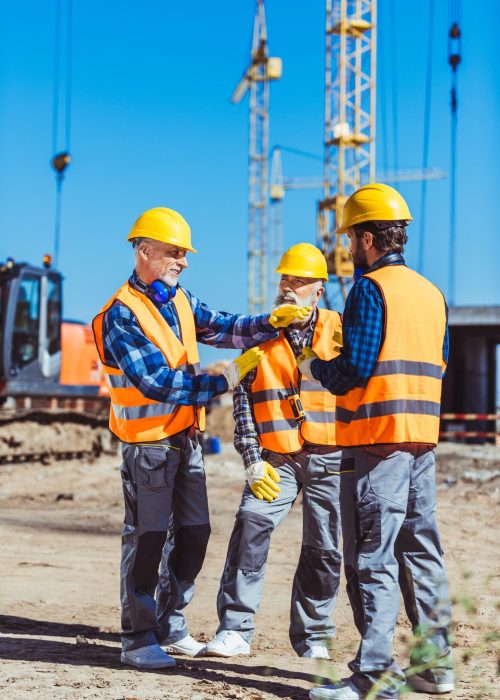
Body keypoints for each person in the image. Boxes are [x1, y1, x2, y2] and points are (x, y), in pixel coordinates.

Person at [92, 207, 310, 670]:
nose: (184, 261)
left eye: (185, 254)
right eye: (175, 252)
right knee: (147, 539)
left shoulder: (179, 300)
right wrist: (226, 380)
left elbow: (225, 326)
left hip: (185, 439)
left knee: (194, 534)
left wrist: (271, 321)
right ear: (144, 251)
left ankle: (171, 625)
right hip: (148, 445)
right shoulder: (121, 315)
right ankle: (138, 637)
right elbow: (158, 383)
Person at [300, 185, 454, 700]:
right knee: (422, 555)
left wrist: (316, 367)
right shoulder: (432, 293)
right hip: (422, 445)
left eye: (349, 238)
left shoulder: (370, 289)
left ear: (367, 238)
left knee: (373, 559)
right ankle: (434, 669)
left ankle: (374, 677)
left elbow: (356, 368)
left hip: (375, 445)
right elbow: (439, 364)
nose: (346, 248)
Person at [203, 243, 344, 661]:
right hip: (275, 459)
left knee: (325, 546)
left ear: (318, 291)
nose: (288, 287)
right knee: (251, 525)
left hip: (330, 458)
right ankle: (234, 630)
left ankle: (315, 635)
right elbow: (244, 403)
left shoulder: (340, 331)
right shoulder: (259, 335)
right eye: (285, 279)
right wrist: (251, 461)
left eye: (299, 281)